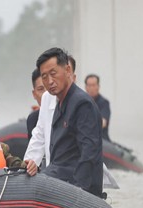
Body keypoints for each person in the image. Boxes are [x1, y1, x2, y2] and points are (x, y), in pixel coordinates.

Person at [36, 47, 103, 197]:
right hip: (56, 178)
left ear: (67, 70)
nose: (50, 81)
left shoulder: (81, 104)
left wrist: (78, 191)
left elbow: (89, 152)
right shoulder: (60, 104)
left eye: (53, 74)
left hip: (74, 186)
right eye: (44, 77)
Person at [24, 55, 77, 167]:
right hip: (53, 173)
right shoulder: (47, 99)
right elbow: (39, 136)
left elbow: (88, 150)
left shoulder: (82, 103)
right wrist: (28, 165)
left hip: (75, 173)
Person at [85, 74, 111, 141]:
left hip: (101, 141)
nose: (91, 88)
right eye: (89, 85)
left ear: (98, 86)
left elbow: (102, 123)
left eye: (93, 85)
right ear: (86, 87)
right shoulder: (82, 102)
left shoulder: (104, 103)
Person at [26, 68, 46, 140]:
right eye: (41, 89)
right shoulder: (32, 119)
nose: (46, 94)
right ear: (34, 94)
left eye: (48, 88)